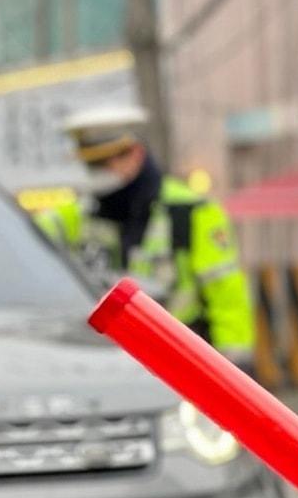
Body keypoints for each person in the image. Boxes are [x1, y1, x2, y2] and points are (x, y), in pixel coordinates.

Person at [39, 103, 256, 365]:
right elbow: (24, 240)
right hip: (105, 361)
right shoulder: (76, 216)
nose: (95, 174)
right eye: (89, 165)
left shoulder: (192, 213)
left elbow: (227, 298)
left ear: (135, 154)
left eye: (102, 163)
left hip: (179, 361)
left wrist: (235, 366)